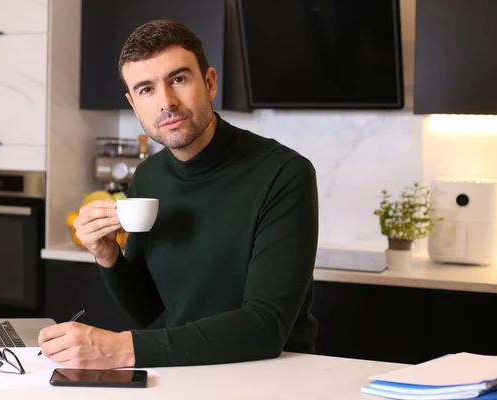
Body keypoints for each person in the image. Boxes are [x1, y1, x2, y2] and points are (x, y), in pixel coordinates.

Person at [38, 19, 319, 369]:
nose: (165, 102)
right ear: (133, 103)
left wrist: (120, 348)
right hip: (185, 372)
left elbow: (266, 327)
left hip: (272, 375)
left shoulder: (284, 174)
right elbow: (145, 309)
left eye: (179, 79)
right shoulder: (148, 176)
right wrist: (108, 254)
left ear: (210, 82)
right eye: (146, 89)